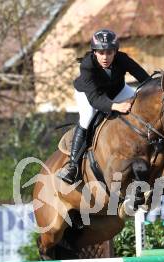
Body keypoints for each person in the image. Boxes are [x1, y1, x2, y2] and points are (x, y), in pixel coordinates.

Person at [59, 29, 150, 185]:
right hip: (89, 95)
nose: (105, 57)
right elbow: (95, 100)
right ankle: (73, 166)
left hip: (117, 90)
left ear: (115, 52)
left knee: (141, 103)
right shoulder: (87, 66)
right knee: (87, 119)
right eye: (101, 52)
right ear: (94, 52)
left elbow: (144, 79)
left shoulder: (122, 59)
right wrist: (116, 106)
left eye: (109, 52)